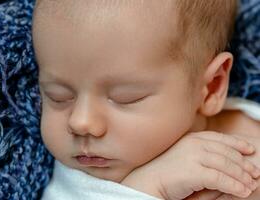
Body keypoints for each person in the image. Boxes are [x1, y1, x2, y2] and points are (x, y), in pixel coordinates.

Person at [31, 0, 260, 199]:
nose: (80, 122)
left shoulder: (251, 129)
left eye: (125, 98)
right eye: (58, 96)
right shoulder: (83, 183)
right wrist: (149, 187)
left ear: (211, 87)